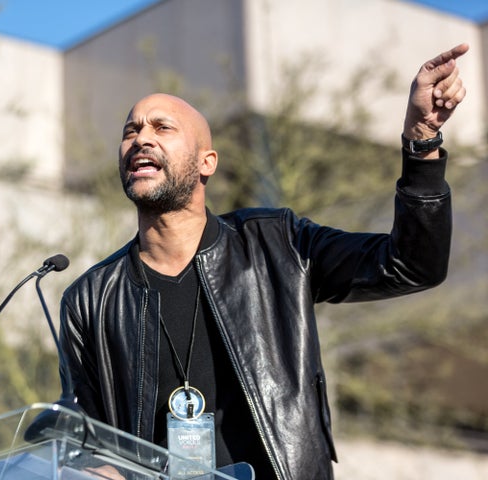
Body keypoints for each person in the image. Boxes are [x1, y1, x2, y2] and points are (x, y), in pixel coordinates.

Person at [58, 44, 469, 480]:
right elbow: (90, 445)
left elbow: (412, 264)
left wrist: (422, 141)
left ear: (206, 162)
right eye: (131, 130)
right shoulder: (90, 299)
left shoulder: (278, 243)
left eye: (162, 127)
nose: (141, 138)